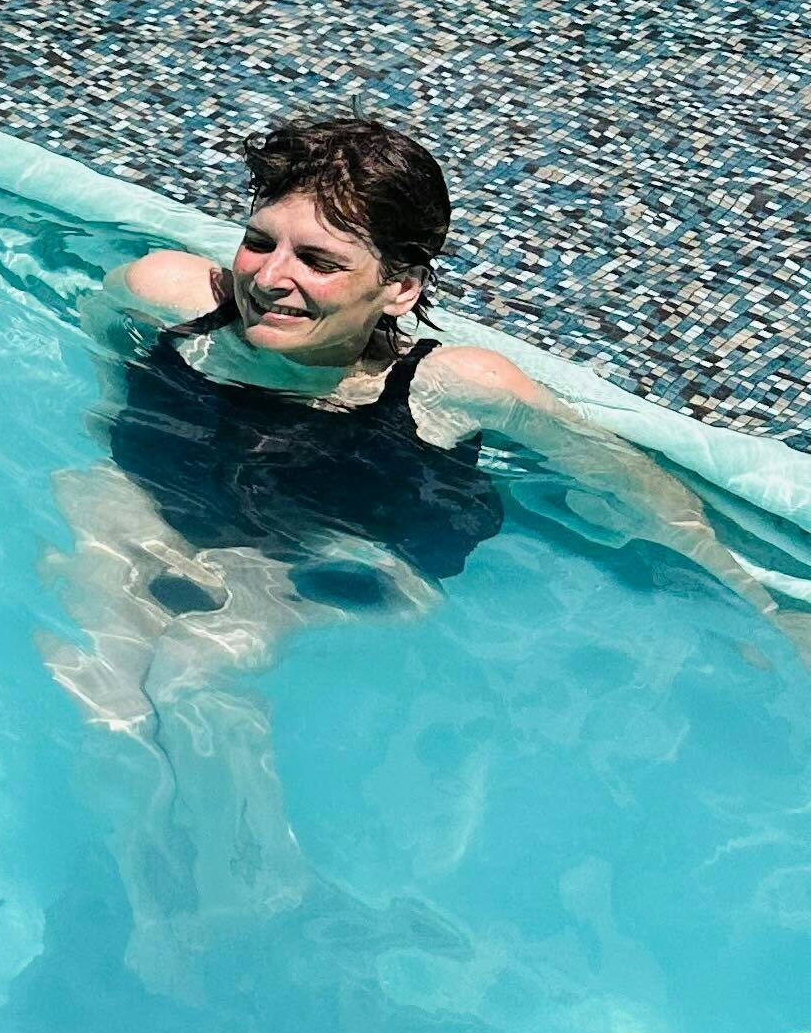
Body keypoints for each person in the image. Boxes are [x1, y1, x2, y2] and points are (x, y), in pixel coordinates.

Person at [53, 109, 807, 729]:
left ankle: (230, 873)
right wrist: (108, 419)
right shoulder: (167, 294)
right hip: (160, 507)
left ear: (400, 288)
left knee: (196, 673)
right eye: (258, 241)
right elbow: (107, 331)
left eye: (318, 260)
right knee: (100, 675)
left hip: (333, 560)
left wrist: (764, 610)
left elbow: (635, 484)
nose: (269, 276)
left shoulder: (453, 387)